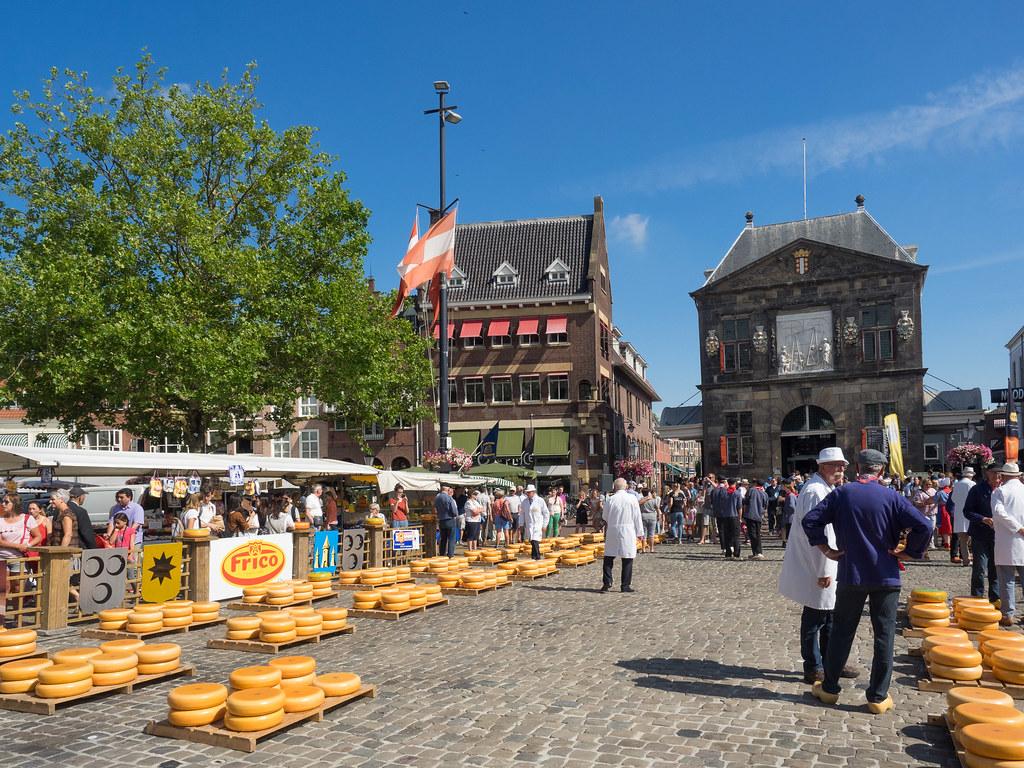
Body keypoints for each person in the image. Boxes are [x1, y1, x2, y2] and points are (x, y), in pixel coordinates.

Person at [804, 449, 932, 714]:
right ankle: (877, 696)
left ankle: (829, 689)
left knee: (841, 632)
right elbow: (925, 526)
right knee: (884, 636)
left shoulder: (841, 493)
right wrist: (910, 552)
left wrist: (826, 549)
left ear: (858, 467)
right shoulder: (892, 496)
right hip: (886, 575)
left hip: (852, 574)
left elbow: (810, 520)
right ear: (882, 470)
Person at [778, 447, 849, 685]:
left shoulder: (824, 488)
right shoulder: (817, 491)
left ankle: (831, 660)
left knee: (828, 616)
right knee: (815, 617)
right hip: (818, 563)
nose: (841, 470)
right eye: (836, 466)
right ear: (822, 467)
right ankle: (814, 665)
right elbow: (819, 534)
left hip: (826, 561)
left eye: (843, 466)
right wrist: (824, 570)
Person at [965, 463, 1002, 603]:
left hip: (999, 536)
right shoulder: (977, 490)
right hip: (980, 534)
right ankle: (977, 597)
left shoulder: (1004, 490)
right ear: (988, 473)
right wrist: (983, 519)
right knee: (980, 567)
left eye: (999, 473)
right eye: (994, 473)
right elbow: (967, 511)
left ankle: (995, 597)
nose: (997, 476)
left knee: (996, 569)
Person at [992, 462, 1024, 625]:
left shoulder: (1000, 491)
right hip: (1019, 541)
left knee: (1006, 579)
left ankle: (1008, 614)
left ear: (1003, 476)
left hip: (1007, 542)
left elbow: (998, 513)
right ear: (1018, 475)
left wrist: (1018, 528)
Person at [600, 478, 644, 592]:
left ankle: (607, 581)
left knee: (609, 556)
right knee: (627, 557)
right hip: (628, 529)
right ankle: (625, 585)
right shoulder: (632, 499)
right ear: (626, 487)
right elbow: (637, 517)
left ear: (614, 487)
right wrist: (640, 532)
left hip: (613, 529)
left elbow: (604, 516)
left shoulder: (610, 499)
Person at [950, 467, 976, 566]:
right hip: (970, 513)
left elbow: (953, 499)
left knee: (963, 539)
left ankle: (966, 559)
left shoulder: (957, 484)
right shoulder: (972, 484)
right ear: (971, 475)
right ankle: (974, 557)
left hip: (960, 514)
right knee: (973, 538)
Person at [521, 485, 549, 560]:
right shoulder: (524, 502)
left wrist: (544, 524)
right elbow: (522, 514)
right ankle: (534, 556)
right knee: (532, 540)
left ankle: (537, 556)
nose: (528, 494)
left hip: (538, 523)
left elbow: (546, 513)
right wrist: (521, 524)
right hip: (529, 524)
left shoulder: (540, 500)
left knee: (535, 540)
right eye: (527, 492)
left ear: (533, 492)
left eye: (529, 492)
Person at [743, 478, 768, 560]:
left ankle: (756, 552)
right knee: (757, 533)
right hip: (759, 515)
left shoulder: (751, 491)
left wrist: (744, 514)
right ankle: (759, 551)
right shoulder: (764, 493)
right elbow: (765, 506)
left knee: (752, 534)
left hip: (750, 514)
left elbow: (745, 502)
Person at [434, 485, 458, 558]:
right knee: (451, 538)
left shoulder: (437, 497)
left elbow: (435, 508)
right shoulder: (449, 497)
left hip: (441, 519)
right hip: (449, 519)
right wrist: (455, 514)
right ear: (447, 489)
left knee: (443, 539)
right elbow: (454, 510)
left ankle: (442, 554)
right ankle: (450, 555)